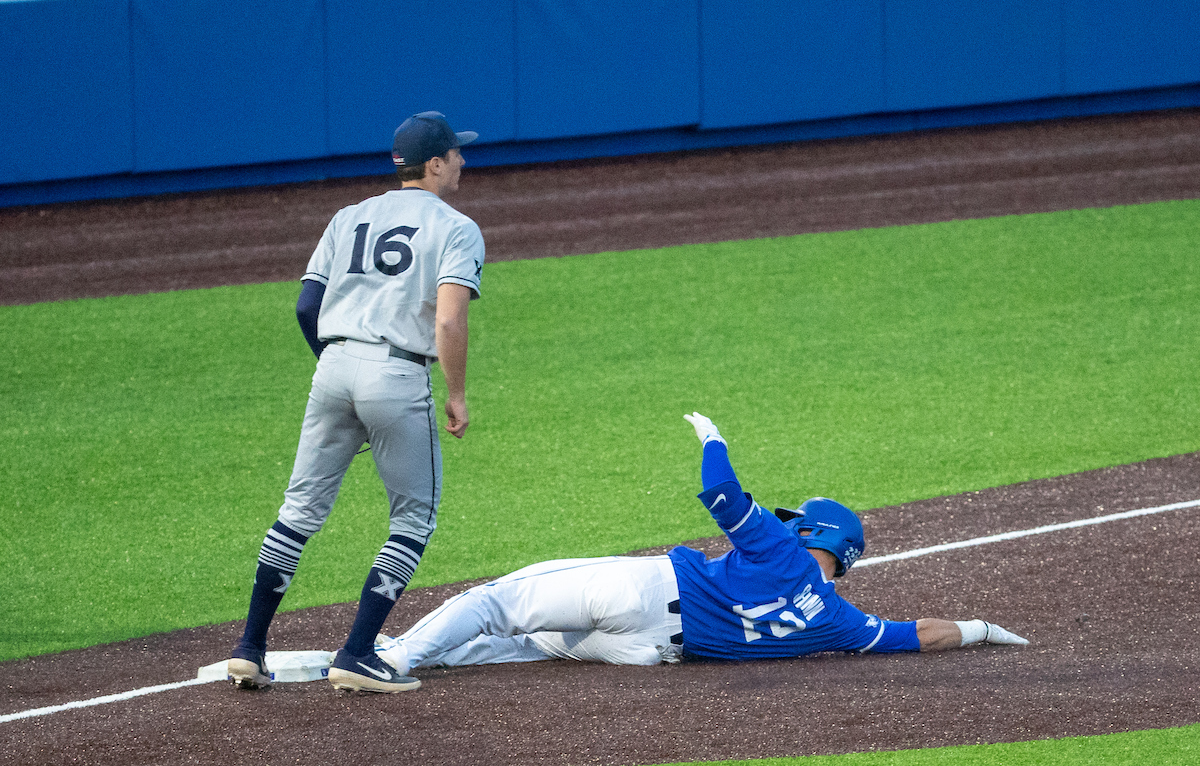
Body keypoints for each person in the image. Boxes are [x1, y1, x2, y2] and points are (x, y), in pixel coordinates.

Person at [372, 412, 1028, 677]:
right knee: (537, 641)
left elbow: (722, 493)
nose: (791, 522)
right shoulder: (840, 620)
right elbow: (917, 633)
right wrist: (980, 627)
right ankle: (423, 655)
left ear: (818, 533)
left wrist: (711, 436)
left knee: (497, 600)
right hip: (651, 651)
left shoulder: (783, 552)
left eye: (802, 519)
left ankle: (396, 657)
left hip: (644, 590)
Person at [227, 111, 486, 694]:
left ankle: (249, 648)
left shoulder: (349, 216)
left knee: (299, 512)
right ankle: (358, 652)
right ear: (437, 162)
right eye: (457, 153)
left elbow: (304, 307)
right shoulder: (457, 227)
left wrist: (336, 367)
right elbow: (448, 318)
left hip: (332, 367)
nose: (464, 162)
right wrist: (458, 393)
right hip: (395, 375)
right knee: (414, 517)